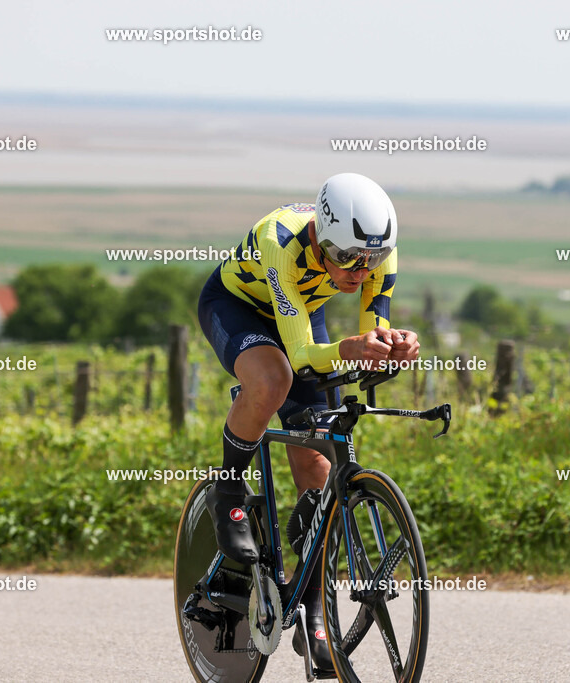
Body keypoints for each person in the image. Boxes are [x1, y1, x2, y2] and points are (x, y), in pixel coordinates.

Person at [196, 172, 420, 671]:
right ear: (321, 234)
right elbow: (299, 355)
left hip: (302, 310)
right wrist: (349, 348)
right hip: (240, 308)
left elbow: (369, 344)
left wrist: (390, 349)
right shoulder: (282, 239)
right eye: (346, 258)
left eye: (372, 261)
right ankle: (228, 488)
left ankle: (315, 610)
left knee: (321, 457)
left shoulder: (374, 248)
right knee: (273, 380)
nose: (359, 272)